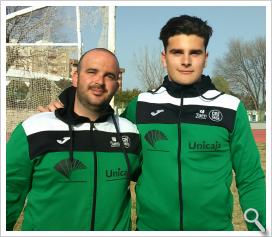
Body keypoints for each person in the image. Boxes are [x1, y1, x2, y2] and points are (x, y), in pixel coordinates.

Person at [39, 15, 266, 231]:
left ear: (205, 58)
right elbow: (100, 132)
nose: (186, 61)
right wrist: (64, 111)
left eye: (194, 53)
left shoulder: (230, 108)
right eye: (177, 52)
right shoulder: (141, 106)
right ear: (164, 58)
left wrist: (262, 228)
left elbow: (251, 178)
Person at [6, 48, 141, 231]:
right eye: (92, 72)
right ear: (75, 77)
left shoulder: (130, 132)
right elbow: (8, 195)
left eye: (109, 76)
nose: (99, 82)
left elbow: (156, 179)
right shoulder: (34, 129)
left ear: (117, 84)